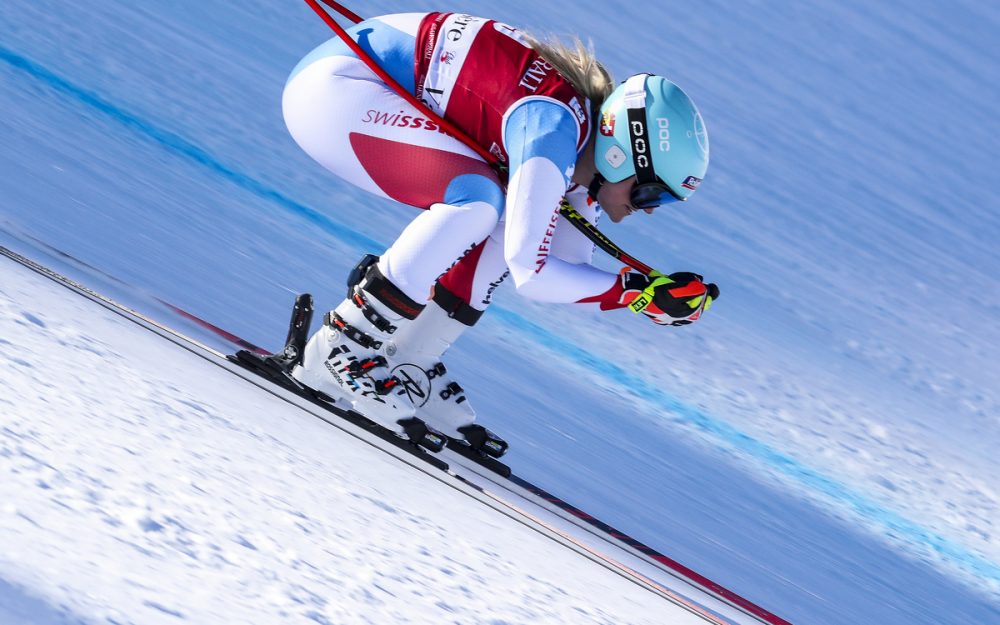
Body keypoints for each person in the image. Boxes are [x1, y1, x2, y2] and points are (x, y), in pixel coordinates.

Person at [281, 11, 718, 451]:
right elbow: (533, 273)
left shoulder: (581, 159)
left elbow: (567, 271)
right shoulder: (553, 131)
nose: (648, 212)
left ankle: (407, 359)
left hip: (356, 84)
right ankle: (342, 347)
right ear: (621, 155)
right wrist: (635, 294)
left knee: (504, 211)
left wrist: (647, 297)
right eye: (650, 196)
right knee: (477, 202)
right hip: (335, 88)